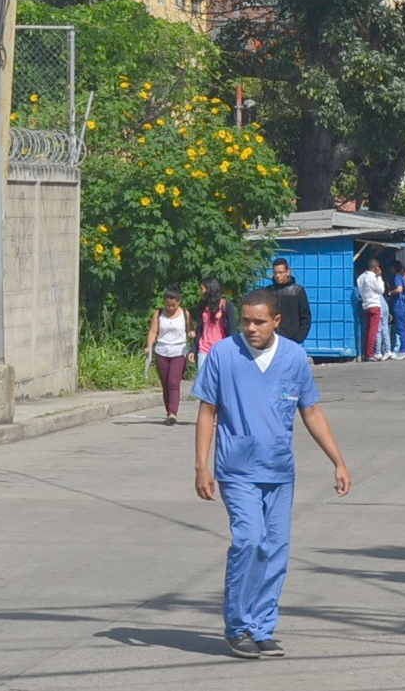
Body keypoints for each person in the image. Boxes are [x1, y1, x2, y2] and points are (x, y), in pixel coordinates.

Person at [193, 289, 351, 659]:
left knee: (274, 550)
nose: (250, 328)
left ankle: (263, 627)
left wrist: (338, 461)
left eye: (259, 321)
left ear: (276, 321)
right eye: (246, 320)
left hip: (279, 470)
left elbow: (310, 411)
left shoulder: (294, 358)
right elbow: (207, 412)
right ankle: (238, 626)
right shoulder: (223, 355)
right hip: (236, 470)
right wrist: (202, 465)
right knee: (249, 538)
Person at [145, 288, 193, 426]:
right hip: (162, 351)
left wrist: (191, 334)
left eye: (173, 305)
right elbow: (153, 331)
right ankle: (169, 413)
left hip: (179, 351)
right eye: (168, 305)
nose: (170, 308)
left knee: (173, 382)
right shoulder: (158, 314)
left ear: (179, 302)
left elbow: (190, 329)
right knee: (165, 384)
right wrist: (149, 346)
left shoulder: (185, 314)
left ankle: (173, 413)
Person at [193, 278, 237, 370]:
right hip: (204, 349)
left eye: (202, 289)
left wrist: (233, 351)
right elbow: (199, 329)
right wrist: (193, 349)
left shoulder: (226, 305)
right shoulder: (202, 306)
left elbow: (232, 330)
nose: (200, 292)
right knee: (203, 382)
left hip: (221, 350)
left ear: (209, 289)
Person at [270, 258, 312, 345]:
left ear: (287, 272)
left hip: (291, 339)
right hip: (272, 339)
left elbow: (305, 316)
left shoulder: (297, 291)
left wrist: (300, 336)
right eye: (275, 273)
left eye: (281, 272)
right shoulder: (268, 291)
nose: (277, 276)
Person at [355, 258, 386, 362]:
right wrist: (379, 277)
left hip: (365, 305)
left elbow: (359, 288)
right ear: (376, 268)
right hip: (374, 305)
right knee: (373, 331)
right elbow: (381, 290)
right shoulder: (372, 278)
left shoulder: (361, 277)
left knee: (366, 330)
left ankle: (364, 352)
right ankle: (370, 354)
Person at [386, 262, 405, 360]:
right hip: (404, 305)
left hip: (399, 305)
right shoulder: (404, 276)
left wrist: (390, 292)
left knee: (401, 328)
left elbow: (399, 289)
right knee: (404, 328)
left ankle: (404, 350)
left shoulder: (397, 278)